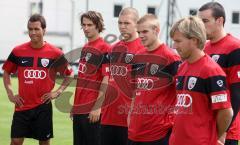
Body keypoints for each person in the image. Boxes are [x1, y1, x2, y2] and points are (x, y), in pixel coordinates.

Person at [2, 14, 73, 145]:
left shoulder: (55, 53)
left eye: (36, 29)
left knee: (44, 142)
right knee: (15, 141)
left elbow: (69, 75)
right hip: (22, 106)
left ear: (44, 30)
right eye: (30, 29)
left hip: (43, 107)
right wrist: (11, 94)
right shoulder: (18, 51)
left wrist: (57, 92)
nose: (33, 32)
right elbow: (6, 72)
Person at [169, 16, 233, 145]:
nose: (174, 46)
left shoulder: (211, 71)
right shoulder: (182, 67)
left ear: (194, 40)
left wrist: (213, 136)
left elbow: (226, 112)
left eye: (178, 41)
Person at [126, 14, 181, 145]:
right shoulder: (138, 56)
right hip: (135, 131)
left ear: (156, 30)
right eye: (138, 32)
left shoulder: (171, 57)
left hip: (159, 132)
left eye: (145, 31)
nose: (140, 35)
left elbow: (181, 94)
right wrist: (130, 114)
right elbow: (135, 91)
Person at [100, 7, 145, 145]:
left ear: (137, 24)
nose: (122, 27)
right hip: (108, 116)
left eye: (127, 23)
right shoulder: (112, 49)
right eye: (120, 23)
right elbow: (106, 79)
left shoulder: (143, 49)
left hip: (129, 118)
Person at [198, 2, 240, 145]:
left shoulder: (235, 47)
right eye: (199, 21)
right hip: (204, 128)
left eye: (205, 21)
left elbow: (237, 93)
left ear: (219, 20)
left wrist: (223, 131)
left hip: (225, 132)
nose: (201, 26)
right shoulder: (203, 48)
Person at [71, 11, 110, 145]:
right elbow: (81, 79)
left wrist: (97, 107)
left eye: (90, 25)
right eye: (84, 25)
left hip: (92, 109)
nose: (86, 28)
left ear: (98, 26)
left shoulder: (105, 48)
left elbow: (106, 79)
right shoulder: (85, 48)